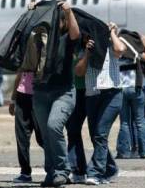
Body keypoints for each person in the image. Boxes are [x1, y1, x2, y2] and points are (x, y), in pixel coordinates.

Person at [31, 1, 80, 187]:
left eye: (55, 22)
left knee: (53, 127)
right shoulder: (39, 39)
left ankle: (62, 170)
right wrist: (32, 12)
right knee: (46, 135)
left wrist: (68, 12)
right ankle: (51, 172)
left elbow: (75, 34)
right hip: (40, 93)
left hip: (63, 92)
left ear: (62, 23)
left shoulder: (66, 39)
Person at [76, 22, 126, 185]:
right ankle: (110, 168)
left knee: (100, 134)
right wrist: (87, 53)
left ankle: (95, 172)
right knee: (96, 136)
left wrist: (111, 33)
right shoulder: (86, 49)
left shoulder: (111, 43)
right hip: (92, 94)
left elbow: (120, 50)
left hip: (112, 93)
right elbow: (79, 72)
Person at [116, 33, 145, 159]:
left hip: (122, 90)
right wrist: (144, 44)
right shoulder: (137, 53)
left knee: (124, 122)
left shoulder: (117, 53)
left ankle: (124, 152)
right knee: (140, 121)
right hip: (136, 89)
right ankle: (144, 151)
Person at [9, 70, 43, 183]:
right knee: (22, 136)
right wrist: (13, 99)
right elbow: (19, 73)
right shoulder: (25, 53)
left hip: (40, 94)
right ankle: (25, 172)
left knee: (42, 138)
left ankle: (58, 167)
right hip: (22, 95)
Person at [65, 39, 88, 184]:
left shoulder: (88, 48)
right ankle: (77, 170)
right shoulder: (68, 46)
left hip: (85, 91)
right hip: (71, 91)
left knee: (96, 134)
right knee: (73, 131)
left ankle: (79, 170)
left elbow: (79, 72)